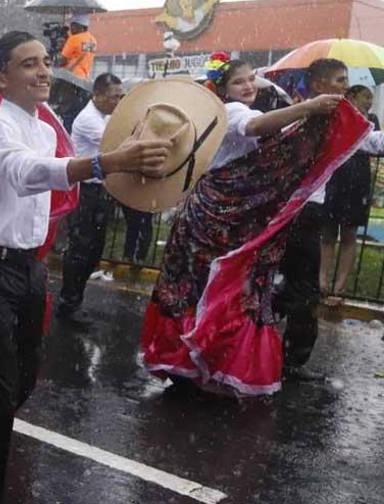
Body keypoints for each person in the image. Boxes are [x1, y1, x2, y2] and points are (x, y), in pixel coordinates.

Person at [0, 31, 170, 504]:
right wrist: (108, 162)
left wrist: (129, 161)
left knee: (20, 382)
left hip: (30, 268)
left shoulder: (47, 127)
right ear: (1, 78)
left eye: (45, 62)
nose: (43, 71)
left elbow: (59, 179)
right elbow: (25, 174)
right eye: (28, 64)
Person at [141, 55, 360, 393]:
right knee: (205, 287)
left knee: (218, 288)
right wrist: (308, 108)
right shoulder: (230, 111)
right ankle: (191, 362)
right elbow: (256, 128)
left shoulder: (254, 111)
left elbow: (278, 135)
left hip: (232, 219)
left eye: (250, 79)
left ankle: (203, 363)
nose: (247, 86)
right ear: (222, 89)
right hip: (213, 218)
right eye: (238, 82)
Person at [277, 60, 384, 379]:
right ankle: (276, 355)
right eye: (339, 80)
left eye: (346, 80)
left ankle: (286, 355)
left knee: (297, 286)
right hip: (289, 211)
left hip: (309, 212)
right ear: (318, 85)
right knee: (293, 286)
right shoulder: (293, 116)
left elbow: (373, 141)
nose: (345, 86)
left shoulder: (345, 121)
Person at [56, 73, 126, 324]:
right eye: (114, 97)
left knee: (94, 249)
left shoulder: (105, 117)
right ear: (98, 95)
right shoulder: (88, 119)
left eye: (121, 97)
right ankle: (68, 303)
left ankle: (76, 299)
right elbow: (117, 146)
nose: (118, 102)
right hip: (84, 191)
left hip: (99, 191)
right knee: (81, 249)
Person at [319, 85, 379, 305]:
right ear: (351, 96)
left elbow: (374, 145)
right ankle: (321, 280)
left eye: (371, 98)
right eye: (365, 97)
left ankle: (340, 286)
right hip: (334, 177)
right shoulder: (336, 114)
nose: (369, 102)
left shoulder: (371, 120)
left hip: (357, 180)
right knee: (327, 231)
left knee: (349, 233)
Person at [57, 14, 97, 80]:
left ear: (82, 26)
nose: (71, 28)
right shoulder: (93, 40)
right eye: (71, 25)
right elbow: (83, 54)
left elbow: (62, 61)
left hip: (71, 76)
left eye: (74, 25)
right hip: (85, 77)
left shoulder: (74, 38)